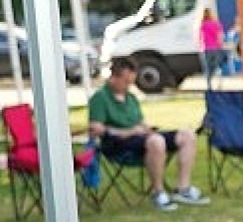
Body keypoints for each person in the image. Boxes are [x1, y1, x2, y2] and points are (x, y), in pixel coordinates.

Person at [87, 57, 210, 212]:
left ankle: (183, 189)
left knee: (187, 135)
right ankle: (158, 193)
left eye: (131, 82)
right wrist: (128, 131)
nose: (129, 86)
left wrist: (146, 129)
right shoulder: (100, 98)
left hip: (141, 138)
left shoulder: (130, 98)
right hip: (118, 144)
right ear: (114, 77)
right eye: (126, 82)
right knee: (156, 141)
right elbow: (95, 129)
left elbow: (139, 122)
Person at [200, 7, 226, 91]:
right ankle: (220, 84)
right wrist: (221, 45)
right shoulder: (216, 24)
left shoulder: (203, 25)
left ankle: (209, 85)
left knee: (208, 68)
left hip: (207, 48)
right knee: (218, 67)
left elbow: (201, 37)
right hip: (216, 48)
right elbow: (220, 36)